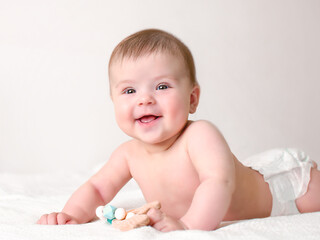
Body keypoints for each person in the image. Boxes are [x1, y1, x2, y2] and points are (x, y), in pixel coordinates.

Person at [37, 29, 320, 231]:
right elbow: (97, 189)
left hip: (283, 191)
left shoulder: (199, 136)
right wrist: (70, 214)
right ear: (113, 101)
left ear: (192, 99)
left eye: (162, 87)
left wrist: (189, 226)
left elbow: (217, 183)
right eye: (129, 90)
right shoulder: (128, 154)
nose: (144, 99)